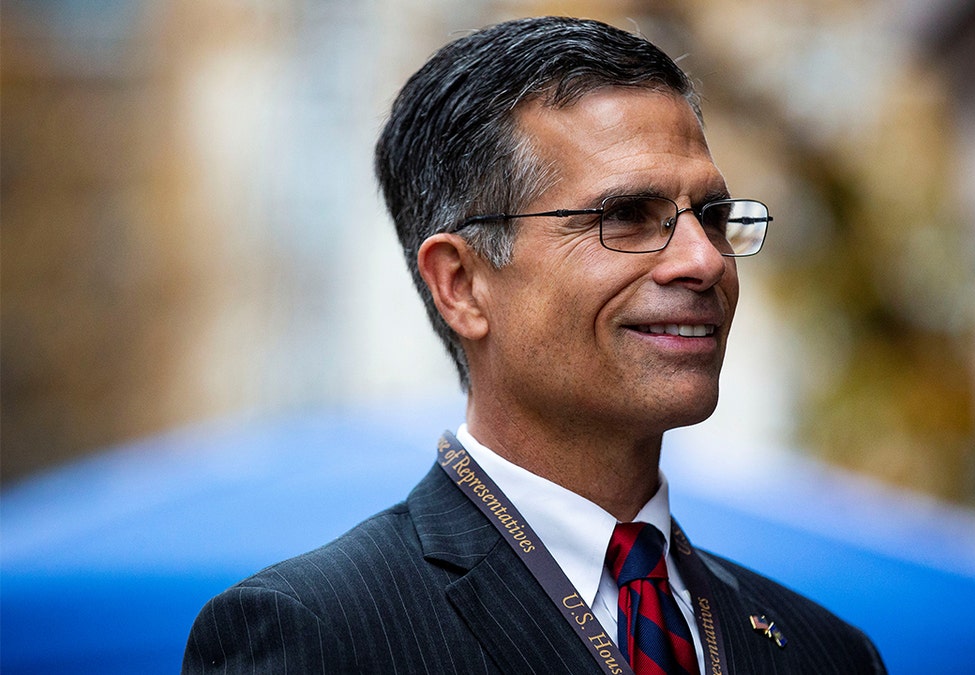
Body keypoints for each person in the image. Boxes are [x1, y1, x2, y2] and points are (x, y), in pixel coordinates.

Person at [183, 15, 886, 674]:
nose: (702, 261)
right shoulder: (322, 633)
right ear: (460, 283)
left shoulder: (825, 651)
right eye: (628, 216)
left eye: (710, 215)